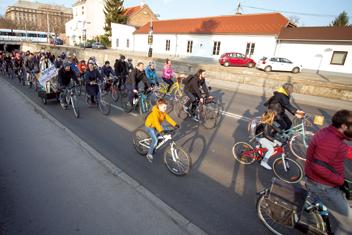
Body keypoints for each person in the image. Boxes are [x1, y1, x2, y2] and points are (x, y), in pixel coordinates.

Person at [305, 110, 352, 235]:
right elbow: (319, 167)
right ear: (343, 126)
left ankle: (315, 210)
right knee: (349, 224)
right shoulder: (330, 140)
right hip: (324, 185)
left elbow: (342, 150)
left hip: (321, 181)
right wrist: (340, 181)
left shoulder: (330, 133)